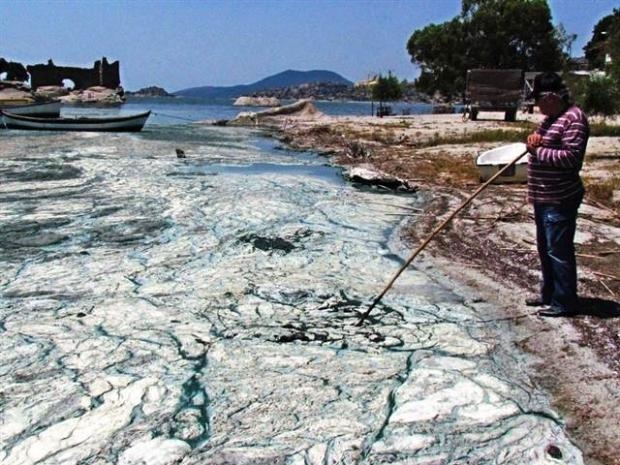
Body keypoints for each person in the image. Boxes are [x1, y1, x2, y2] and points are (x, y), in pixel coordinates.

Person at [525, 72, 589, 317]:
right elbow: (540, 140)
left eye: (538, 100)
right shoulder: (552, 118)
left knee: (558, 251)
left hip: (560, 198)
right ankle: (549, 294)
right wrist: (534, 140)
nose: (537, 106)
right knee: (545, 248)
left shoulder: (574, 119)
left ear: (550, 97)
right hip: (543, 196)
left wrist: (538, 152)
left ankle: (564, 301)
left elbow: (571, 159)